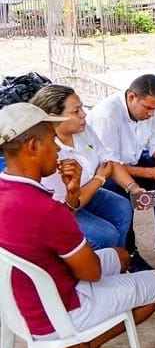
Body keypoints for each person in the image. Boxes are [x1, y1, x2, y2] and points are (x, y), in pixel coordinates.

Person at [0, 102, 155, 348]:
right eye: (51, 141)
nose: (58, 149)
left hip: (20, 300)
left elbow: (53, 235)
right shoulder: (44, 209)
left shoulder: (9, 191)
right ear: (31, 146)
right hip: (59, 309)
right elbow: (90, 272)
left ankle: (88, 336)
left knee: (121, 255)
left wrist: (72, 193)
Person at [87, 73, 155, 272]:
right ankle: (130, 252)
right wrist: (151, 173)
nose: (151, 114)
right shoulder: (107, 114)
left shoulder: (152, 108)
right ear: (132, 97)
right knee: (124, 201)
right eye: (148, 108)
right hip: (102, 172)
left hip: (132, 159)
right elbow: (109, 165)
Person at [30, 84, 143, 250]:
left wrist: (133, 187)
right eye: (76, 111)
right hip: (61, 207)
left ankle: (119, 259)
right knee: (105, 234)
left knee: (123, 207)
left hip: (85, 190)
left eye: (81, 108)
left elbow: (108, 160)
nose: (83, 115)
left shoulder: (83, 130)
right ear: (54, 117)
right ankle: (95, 266)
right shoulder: (47, 149)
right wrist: (99, 178)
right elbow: (72, 203)